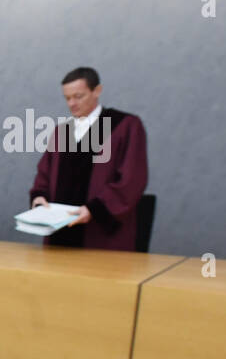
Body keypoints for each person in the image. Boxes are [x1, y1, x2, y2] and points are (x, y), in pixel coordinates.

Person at [28, 66, 148, 250]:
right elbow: (44, 173)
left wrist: (95, 209)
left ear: (97, 91)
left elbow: (131, 179)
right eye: (67, 98)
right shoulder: (63, 132)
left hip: (100, 236)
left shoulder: (124, 125)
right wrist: (39, 197)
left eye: (78, 96)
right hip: (59, 234)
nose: (72, 104)